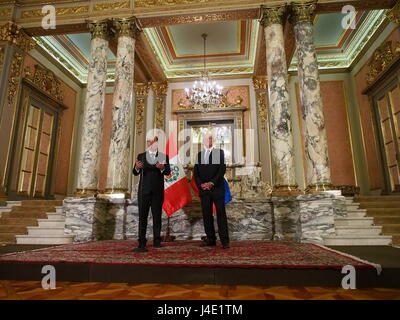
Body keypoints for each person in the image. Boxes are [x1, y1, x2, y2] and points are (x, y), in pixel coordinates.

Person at [132, 136, 171, 253]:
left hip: (157, 192)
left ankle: (157, 241)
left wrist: (163, 167)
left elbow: (168, 172)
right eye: (148, 141)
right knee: (142, 217)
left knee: (157, 217)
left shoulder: (163, 156)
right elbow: (135, 172)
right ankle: (142, 242)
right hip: (144, 192)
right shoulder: (141, 156)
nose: (150, 143)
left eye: (153, 141)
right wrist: (137, 167)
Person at [194, 133, 230, 249]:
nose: (207, 140)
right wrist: (202, 185)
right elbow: (196, 173)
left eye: (210, 138)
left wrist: (211, 183)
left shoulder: (218, 153)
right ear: (203, 141)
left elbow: (221, 170)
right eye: (205, 139)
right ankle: (211, 239)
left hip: (217, 188)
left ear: (213, 141)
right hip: (204, 190)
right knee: (206, 215)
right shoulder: (199, 155)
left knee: (220, 214)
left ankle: (225, 241)